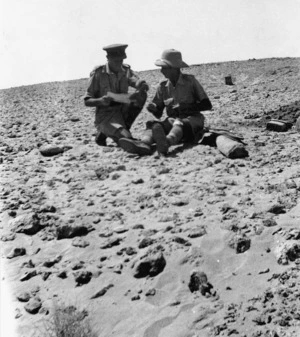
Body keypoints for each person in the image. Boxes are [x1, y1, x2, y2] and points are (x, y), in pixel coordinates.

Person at [84, 43, 151, 155]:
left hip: (122, 112)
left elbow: (135, 81)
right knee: (127, 137)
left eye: (121, 60)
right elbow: (87, 101)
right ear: (108, 58)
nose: (119, 63)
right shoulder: (98, 73)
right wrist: (100, 101)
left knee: (141, 95)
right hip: (106, 116)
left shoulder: (125, 70)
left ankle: (113, 131)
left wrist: (141, 84)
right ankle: (109, 131)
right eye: (116, 61)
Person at [141, 49, 212, 155]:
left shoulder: (190, 82)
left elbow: (207, 104)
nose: (161, 71)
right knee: (153, 125)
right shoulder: (162, 86)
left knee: (179, 123)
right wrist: (153, 108)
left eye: (164, 68)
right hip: (172, 120)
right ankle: (144, 144)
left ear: (174, 68)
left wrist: (187, 107)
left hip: (192, 121)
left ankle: (167, 142)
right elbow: (158, 113)